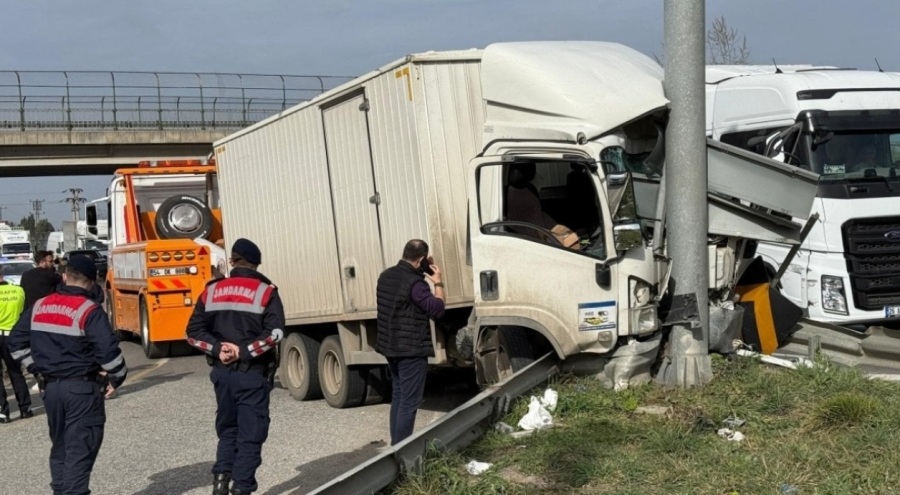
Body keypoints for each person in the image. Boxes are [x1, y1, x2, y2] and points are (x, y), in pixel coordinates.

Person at [8, 255, 127, 495]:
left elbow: (16, 344)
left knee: (61, 448)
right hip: (82, 390)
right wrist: (116, 378)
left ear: (64, 276)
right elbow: (110, 356)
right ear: (92, 282)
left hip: (51, 390)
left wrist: (36, 370)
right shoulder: (89, 310)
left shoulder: (40, 305)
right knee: (80, 451)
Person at [186, 238, 285, 495]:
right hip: (252, 373)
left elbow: (192, 333)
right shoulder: (266, 292)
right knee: (251, 435)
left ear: (231, 261)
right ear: (257, 263)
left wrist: (220, 349)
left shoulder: (211, 290)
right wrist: (243, 351)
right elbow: (274, 334)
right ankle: (242, 489)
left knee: (228, 430)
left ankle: (220, 484)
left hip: (222, 374)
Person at [375, 239, 445, 445]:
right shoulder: (416, 284)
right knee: (409, 402)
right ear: (422, 260)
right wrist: (438, 282)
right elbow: (438, 310)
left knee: (398, 396)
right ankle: (403, 452)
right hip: (411, 349)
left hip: (390, 346)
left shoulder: (385, 276)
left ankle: (396, 447)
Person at [0, 269, 30, 423]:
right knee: (16, 372)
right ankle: (25, 408)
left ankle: (3, 412)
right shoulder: (18, 291)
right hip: (13, 336)